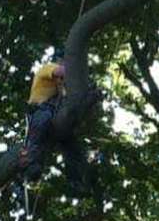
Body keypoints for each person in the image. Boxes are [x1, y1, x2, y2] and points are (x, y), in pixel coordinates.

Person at [19, 60, 99, 197]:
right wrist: (79, 75)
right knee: (40, 127)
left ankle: (76, 181)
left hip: (55, 117)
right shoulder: (47, 69)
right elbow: (62, 71)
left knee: (73, 148)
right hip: (40, 109)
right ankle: (30, 163)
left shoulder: (61, 89)